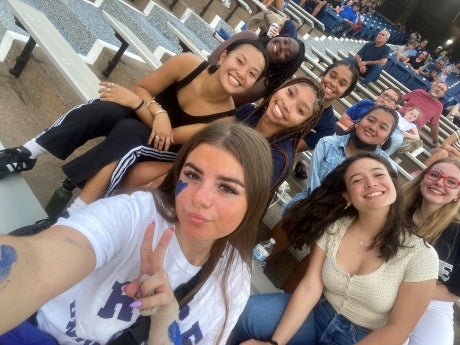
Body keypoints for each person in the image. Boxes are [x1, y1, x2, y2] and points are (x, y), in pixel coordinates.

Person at [0, 122, 273, 345]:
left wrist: (164, 318)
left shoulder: (234, 278)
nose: (200, 198)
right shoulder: (135, 215)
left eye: (227, 188)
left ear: (255, 202)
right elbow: (38, 264)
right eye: (192, 175)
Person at [0, 39, 268, 221]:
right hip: (146, 116)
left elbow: (169, 137)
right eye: (240, 61)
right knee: (105, 107)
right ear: (224, 56)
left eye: (252, 73)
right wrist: (155, 110)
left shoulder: (224, 120)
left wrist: (141, 105)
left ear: (252, 84)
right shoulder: (188, 64)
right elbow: (142, 87)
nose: (242, 73)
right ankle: (27, 153)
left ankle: (75, 215)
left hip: (164, 150)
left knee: (131, 131)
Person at [229, 153, 438, 345]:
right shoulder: (335, 227)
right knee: (251, 313)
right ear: (347, 196)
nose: (371, 183)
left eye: (378, 175)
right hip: (319, 315)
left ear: (394, 184)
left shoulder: (422, 256)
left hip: (366, 337)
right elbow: (311, 287)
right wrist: (275, 343)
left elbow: (398, 329)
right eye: (357, 180)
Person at [268, 106, 399, 292]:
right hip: (312, 207)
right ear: (358, 121)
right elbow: (314, 190)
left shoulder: (385, 168)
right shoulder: (328, 143)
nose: (373, 126)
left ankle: (284, 295)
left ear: (385, 138)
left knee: (333, 241)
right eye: (371, 120)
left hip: (343, 223)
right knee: (302, 208)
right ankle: (255, 259)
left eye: (382, 126)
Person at [120, 77, 325, 194]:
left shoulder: (280, 157)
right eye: (290, 93)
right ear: (281, 88)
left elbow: (240, 193)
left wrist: (173, 178)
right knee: (138, 173)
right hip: (197, 166)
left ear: (303, 124)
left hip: (216, 194)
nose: (287, 105)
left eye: (300, 110)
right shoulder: (248, 113)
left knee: (155, 189)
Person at [403, 158, 460, 345]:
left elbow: (456, 290)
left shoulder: (457, 233)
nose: (439, 183)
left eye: (452, 182)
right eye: (435, 175)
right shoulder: (395, 213)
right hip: (381, 289)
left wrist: (407, 290)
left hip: (434, 302)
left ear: (458, 194)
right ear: (422, 178)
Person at [209, 32, 305, 107]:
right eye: (285, 41)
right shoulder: (249, 36)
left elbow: (226, 97)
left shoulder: (264, 83)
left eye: (286, 54)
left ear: (283, 65)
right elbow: (212, 60)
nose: (282, 47)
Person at [399, 81, 447, 148]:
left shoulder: (439, 107)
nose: (438, 89)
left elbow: (434, 125)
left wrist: (435, 142)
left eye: (442, 90)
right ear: (433, 86)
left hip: (413, 127)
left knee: (403, 138)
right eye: (438, 87)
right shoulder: (419, 92)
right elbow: (400, 99)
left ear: (442, 95)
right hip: (401, 116)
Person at [336, 87, 402, 134]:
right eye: (385, 94)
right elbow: (343, 118)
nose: (385, 97)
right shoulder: (366, 103)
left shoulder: (388, 121)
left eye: (390, 98)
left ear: (394, 106)